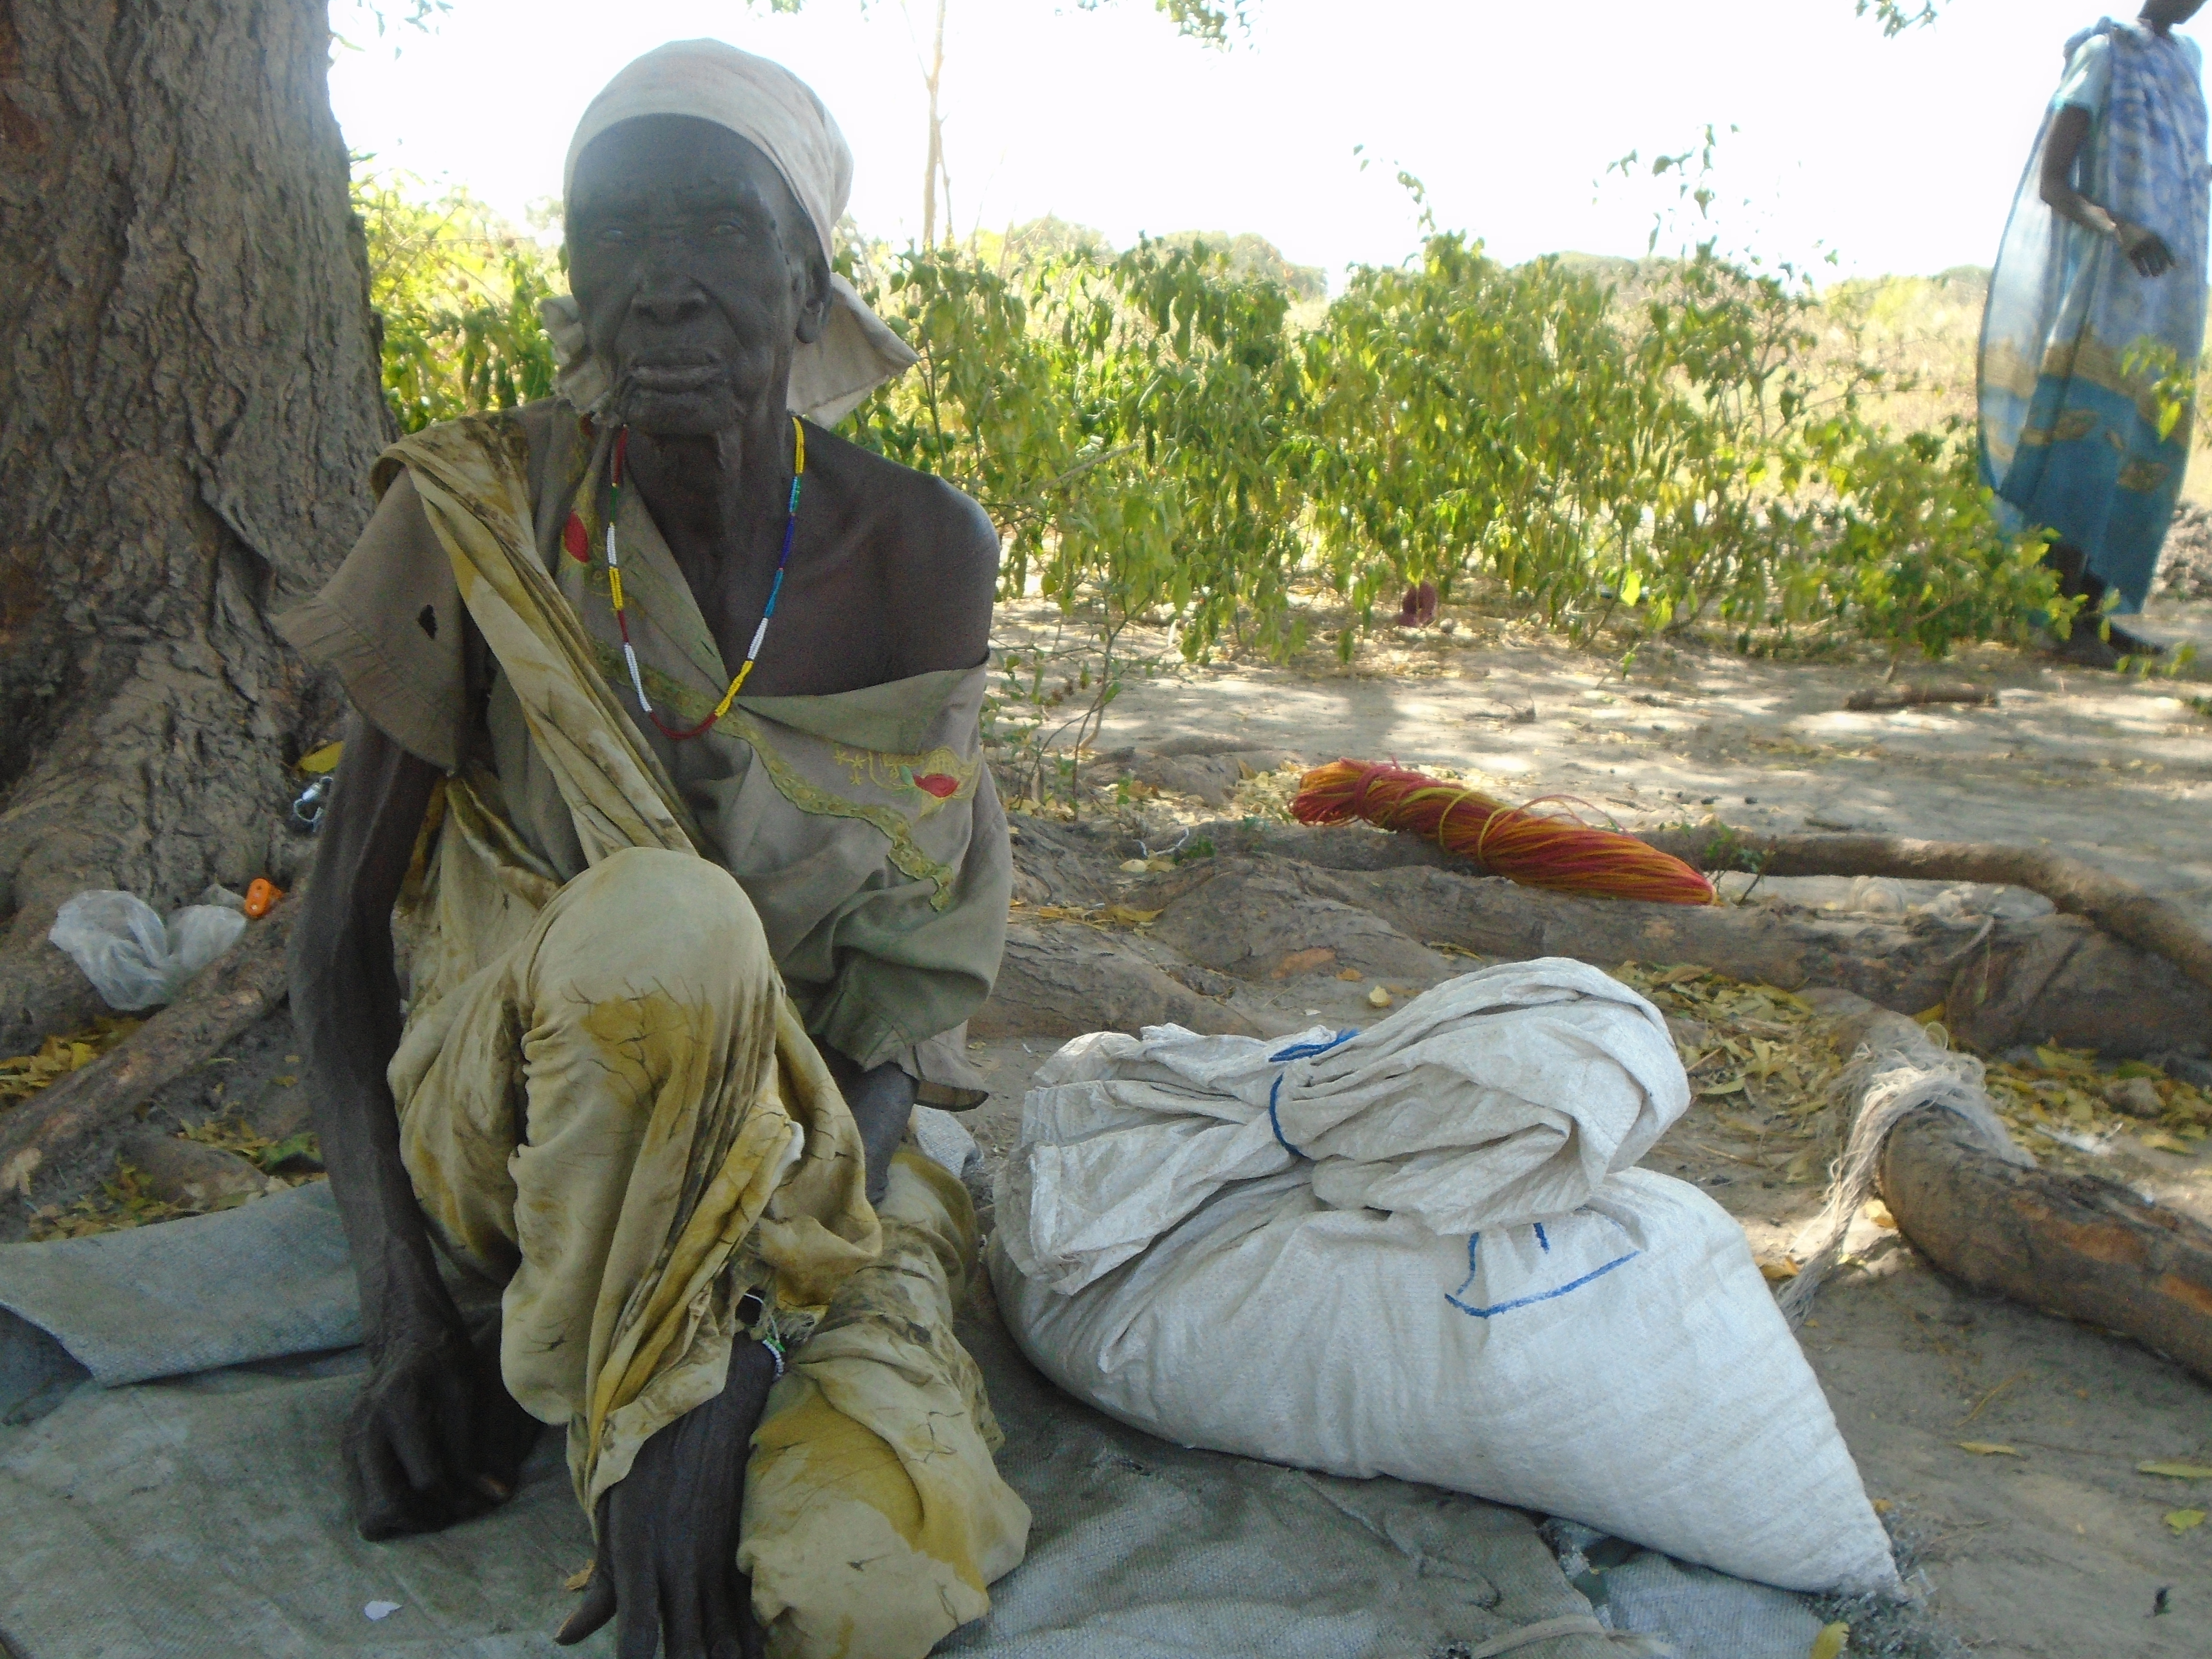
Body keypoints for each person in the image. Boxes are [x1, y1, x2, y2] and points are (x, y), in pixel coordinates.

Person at [282, 40, 1030, 1659]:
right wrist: (402, 1321)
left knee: (854, 1592)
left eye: (719, 229)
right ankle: (552, 1352)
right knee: (676, 924)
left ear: (808, 279)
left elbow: (891, 1021)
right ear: (573, 278)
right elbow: (332, 943)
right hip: (524, 1135)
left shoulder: (921, 551)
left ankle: (599, 1380)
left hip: (813, 1160)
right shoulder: (483, 515)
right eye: (614, 232)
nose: (664, 281)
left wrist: (735, 1351)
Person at [1978, 1, 2209, 666]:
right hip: (2108, 292)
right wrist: (2120, 227)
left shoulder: (2186, 62)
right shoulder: (2103, 54)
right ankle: (2060, 621)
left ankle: (2096, 615)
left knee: (2144, 449)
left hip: (2171, 295)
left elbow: (2186, 174)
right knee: (2085, 445)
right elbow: (2054, 184)